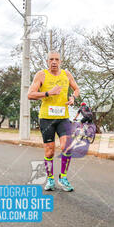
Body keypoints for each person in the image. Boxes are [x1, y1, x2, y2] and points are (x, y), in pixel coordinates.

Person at [28, 51, 80, 192]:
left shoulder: (66, 74)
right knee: (49, 151)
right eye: (51, 59)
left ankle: (63, 177)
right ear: (47, 61)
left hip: (63, 117)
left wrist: (73, 98)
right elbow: (30, 94)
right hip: (46, 118)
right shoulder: (41, 75)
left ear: (60, 61)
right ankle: (50, 179)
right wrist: (48, 93)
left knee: (66, 147)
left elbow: (76, 89)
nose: (54, 62)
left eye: (57, 59)